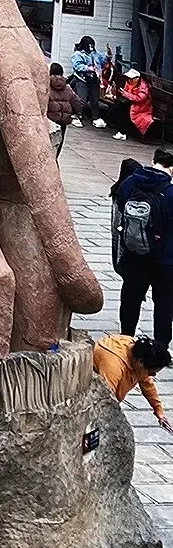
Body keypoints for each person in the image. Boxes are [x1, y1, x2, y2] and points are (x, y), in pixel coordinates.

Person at [113, 149, 173, 346]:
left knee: (130, 299)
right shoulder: (170, 192)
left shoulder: (129, 182)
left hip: (134, 254)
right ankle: (161, 347)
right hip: (165, 259)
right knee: (164, 304)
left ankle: (125, 340)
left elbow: (120, 212)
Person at [93, 334, 173, 429]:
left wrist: (159, 411)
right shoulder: (113, 368)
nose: (152, 375)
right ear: (140, 362)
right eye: (151, 372)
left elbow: (147, 385)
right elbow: (106, 401)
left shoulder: (141, 353)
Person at [71, 37, 107, 129]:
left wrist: (108, 56)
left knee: (94, 100)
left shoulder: (95, 53)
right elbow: (76, 65)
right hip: (82, 79)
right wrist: (87, 68)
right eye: (89, 45)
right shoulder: (78, 54)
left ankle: (95, 117)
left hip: (94, 80)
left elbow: (103, 61)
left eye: (92, 45)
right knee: (81, 99)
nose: (91, 47)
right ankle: (77, 115)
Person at [48, 63, 83, 156]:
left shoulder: (46, 86)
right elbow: (78, 103)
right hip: (63, 121)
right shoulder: (68, 88)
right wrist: (71, 113)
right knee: (58, 145)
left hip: (50, 120)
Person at [119, 68, 156, 141]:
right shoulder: (129, 83)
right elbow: (126, 91)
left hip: (141, 107)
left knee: (122, 108)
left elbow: (139, 98)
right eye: (129, 78)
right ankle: (121, 131)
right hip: (132, 103)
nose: (129, 80)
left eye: (131, 78)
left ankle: (122, 132)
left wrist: (126, 94)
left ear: (137, 78)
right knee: (119, 105)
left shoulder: (143, 87)